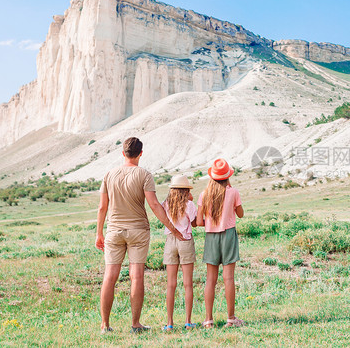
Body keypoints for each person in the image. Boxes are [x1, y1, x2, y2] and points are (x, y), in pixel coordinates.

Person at [94, 137, 187, 334]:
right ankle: (135, 324)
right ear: (141, 154)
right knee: (137, 277)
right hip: (138, 231)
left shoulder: (109, 175)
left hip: (114, 231)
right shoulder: (144, 175)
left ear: (123, 153)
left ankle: (105, 325)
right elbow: (154, 205)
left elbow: (103, 207)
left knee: (109, 276)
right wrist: (173, 228)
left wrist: (99, 233)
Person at [196, 158, 245, 328]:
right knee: (228, 278)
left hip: (211, 236)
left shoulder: (204, 194)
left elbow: (199, 222)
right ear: (227, 176)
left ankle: (208, 320)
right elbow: (241, 214)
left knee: (211, 279)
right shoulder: (233, 192)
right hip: (229, 235)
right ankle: (231, 319)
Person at [161, 175, 198, 331]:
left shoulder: (165, 204)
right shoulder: (189, 204)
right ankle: (188, 322)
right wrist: (191, 200)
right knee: (188, 284)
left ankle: (169, 323)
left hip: (170, 241)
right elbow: (195, 223)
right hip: (185, 241)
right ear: (186, 190)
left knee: (171, 285)